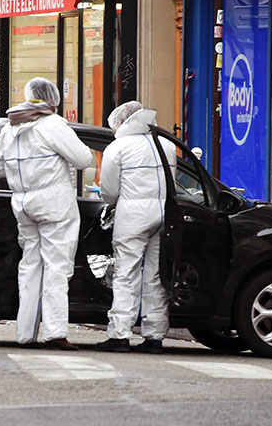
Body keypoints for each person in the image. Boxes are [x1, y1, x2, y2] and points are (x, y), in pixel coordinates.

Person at [0, 77, 95, 351]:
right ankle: (55, 331)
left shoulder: (10, 127)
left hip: (23, 205)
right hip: (54, 204)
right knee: (57, 267)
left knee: (30, 266)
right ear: (52, 101)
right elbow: (84, 159)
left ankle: (24, 332)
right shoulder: (52, 124)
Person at [96, 101, 176, 354]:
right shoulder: (166, 145)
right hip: (163, 215)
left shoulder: (118, 147)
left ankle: (120, 333)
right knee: (155, 275)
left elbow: (108, 191)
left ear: (121, 121)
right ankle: (155, 336)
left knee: (125, 273)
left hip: (132, 216)